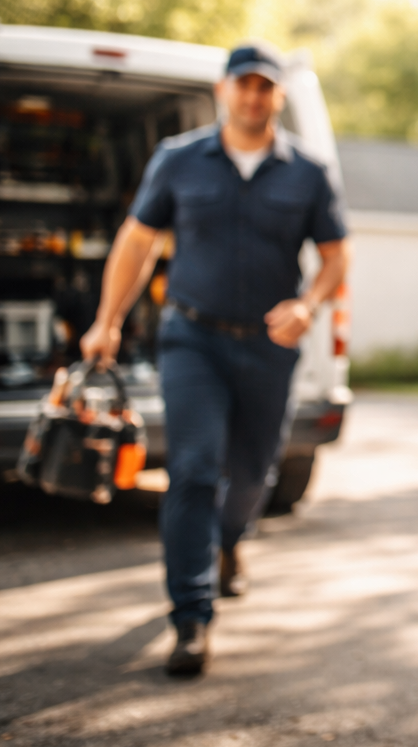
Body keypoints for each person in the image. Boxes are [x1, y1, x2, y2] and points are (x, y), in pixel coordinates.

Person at [80, 42, 349, 677]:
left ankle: (230, 542)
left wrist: (310, 303)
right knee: (194, 470)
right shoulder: (177, 161)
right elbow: (138, 241)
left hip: (268, 346)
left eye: (265, 87)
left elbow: (337, 254)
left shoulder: (307, 174)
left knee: (254, 473)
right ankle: (191, 617)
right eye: (243, 85)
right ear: (223, 90)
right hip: (192, 339)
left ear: (277, 96)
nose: (254, 96)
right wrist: (106, 321)